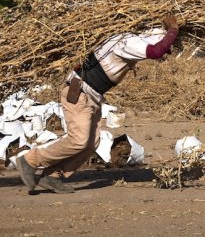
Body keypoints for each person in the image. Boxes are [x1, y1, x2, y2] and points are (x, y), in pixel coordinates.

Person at [16, 14, 181, 194]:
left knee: (91, 144)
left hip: (92, 96)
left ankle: (52, 175)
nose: (165, 52)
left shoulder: (127, 41)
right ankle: (30, 160)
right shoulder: (127, 42)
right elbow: (156, 51)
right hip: (79, 92)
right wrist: (173, 30)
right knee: (78, 140)